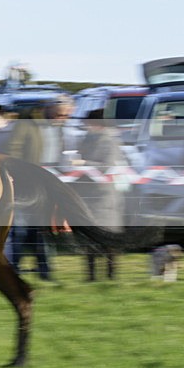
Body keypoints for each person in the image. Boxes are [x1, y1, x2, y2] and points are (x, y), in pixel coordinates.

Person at [72, 109, 126, 280]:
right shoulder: (88, 138)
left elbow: (108, 165)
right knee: (89, 238)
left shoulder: (110, 141)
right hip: (87, 194)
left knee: (108, 238)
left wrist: (84, 163)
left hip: (104, 196)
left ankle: (111, 275)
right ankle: (91, 275)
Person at [6, 104, 54, 280]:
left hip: (32, 182)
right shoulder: (28, 126)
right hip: (29, 182)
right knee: (27, 229)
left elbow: (15, 150)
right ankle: (40, 270)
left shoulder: (31, 126)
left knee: (27, 229)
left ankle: (34, 269)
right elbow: (14, 150)